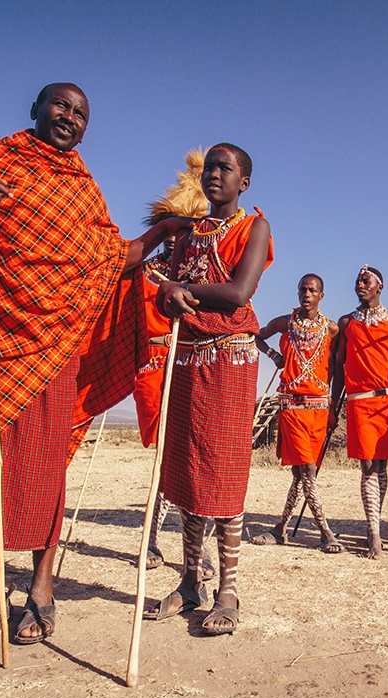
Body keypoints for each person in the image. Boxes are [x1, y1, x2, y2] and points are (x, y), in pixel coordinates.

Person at [0, 83, 184, 649]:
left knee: (46, 469)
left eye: (81, 113)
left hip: (55, 350)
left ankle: (42, 589)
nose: (70, 117)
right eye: (61, 106)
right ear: (35, 109)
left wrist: (158, 235)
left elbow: (110, 257)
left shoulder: (82, 190)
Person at [144, 143, 275, 635]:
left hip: (230, 356)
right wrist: (164, 286)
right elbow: (164, 279)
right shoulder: (187, 233)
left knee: (221, 470)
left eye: (227, 168)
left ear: (244, 181)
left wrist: (180, 291)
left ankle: (229, 590)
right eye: (211, 167)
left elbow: (239, 292)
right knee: (186, 468)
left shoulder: (253, 227)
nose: (215, 174)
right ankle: (190, 580)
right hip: (187, 356)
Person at [134, 150, 213, 578]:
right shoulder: (144, 275)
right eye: (174, 231)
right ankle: (150, 538)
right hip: (153, 367)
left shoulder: (203, 276)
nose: (177, 239)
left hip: (194, 366)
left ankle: (194, 553)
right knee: (168, 456)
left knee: (193, 455)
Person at [252, 274, 344, 553]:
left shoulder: (331, 330)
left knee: (300, 473)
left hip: (319, 408)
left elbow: (336, 369)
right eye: (303, 289)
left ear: (321, 296)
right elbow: (256, 335)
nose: (306, 294)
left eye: (312, 290)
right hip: (291, 405)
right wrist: (272, 355)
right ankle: (326, 532)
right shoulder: (285, 323)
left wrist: (332, 408)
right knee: (307, 469)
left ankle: (280, 529)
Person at [329, 265, 388, 560]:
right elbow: (338, 368)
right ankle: (374, 533)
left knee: (383, 465)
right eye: (357, 281)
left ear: (380, 287)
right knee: (368, 467)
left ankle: (374, 522)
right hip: (359, 401)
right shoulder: (347, 323)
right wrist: (332, 406)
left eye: (366, 281)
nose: (360, 285)